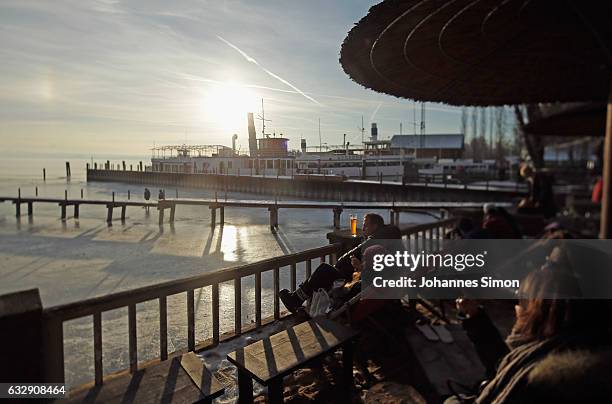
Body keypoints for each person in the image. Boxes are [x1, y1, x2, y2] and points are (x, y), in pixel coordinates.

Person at [446, 248, 612, 403]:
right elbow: (504, 362)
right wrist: (476, 318)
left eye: (526, 301)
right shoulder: (575, 347)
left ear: (550, 311)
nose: (517, 308)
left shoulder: (541, 382)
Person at [280, 213, 387, 313]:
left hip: (352, 287)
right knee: (326, 272)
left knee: (324, 269)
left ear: (375, 226)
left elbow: (373, 273)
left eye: (366, 226)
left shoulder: (375, 245)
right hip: (357, 283)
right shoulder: (382, 241)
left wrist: (359, 267)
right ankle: (303, 301)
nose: (363, 228)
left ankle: (296, 300)